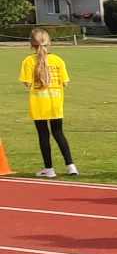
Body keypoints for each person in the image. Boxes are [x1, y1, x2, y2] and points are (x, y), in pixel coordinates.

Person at [20, 27, 77, 177]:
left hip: (39, 102)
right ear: (49, 43)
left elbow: (27, 83)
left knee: (43, 135)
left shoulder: (28, 61)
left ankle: (49, 169)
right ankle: (71, 166)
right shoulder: (58, 60)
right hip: (55, 101)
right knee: (58, 133)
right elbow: (65, 82)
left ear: (32, 44)